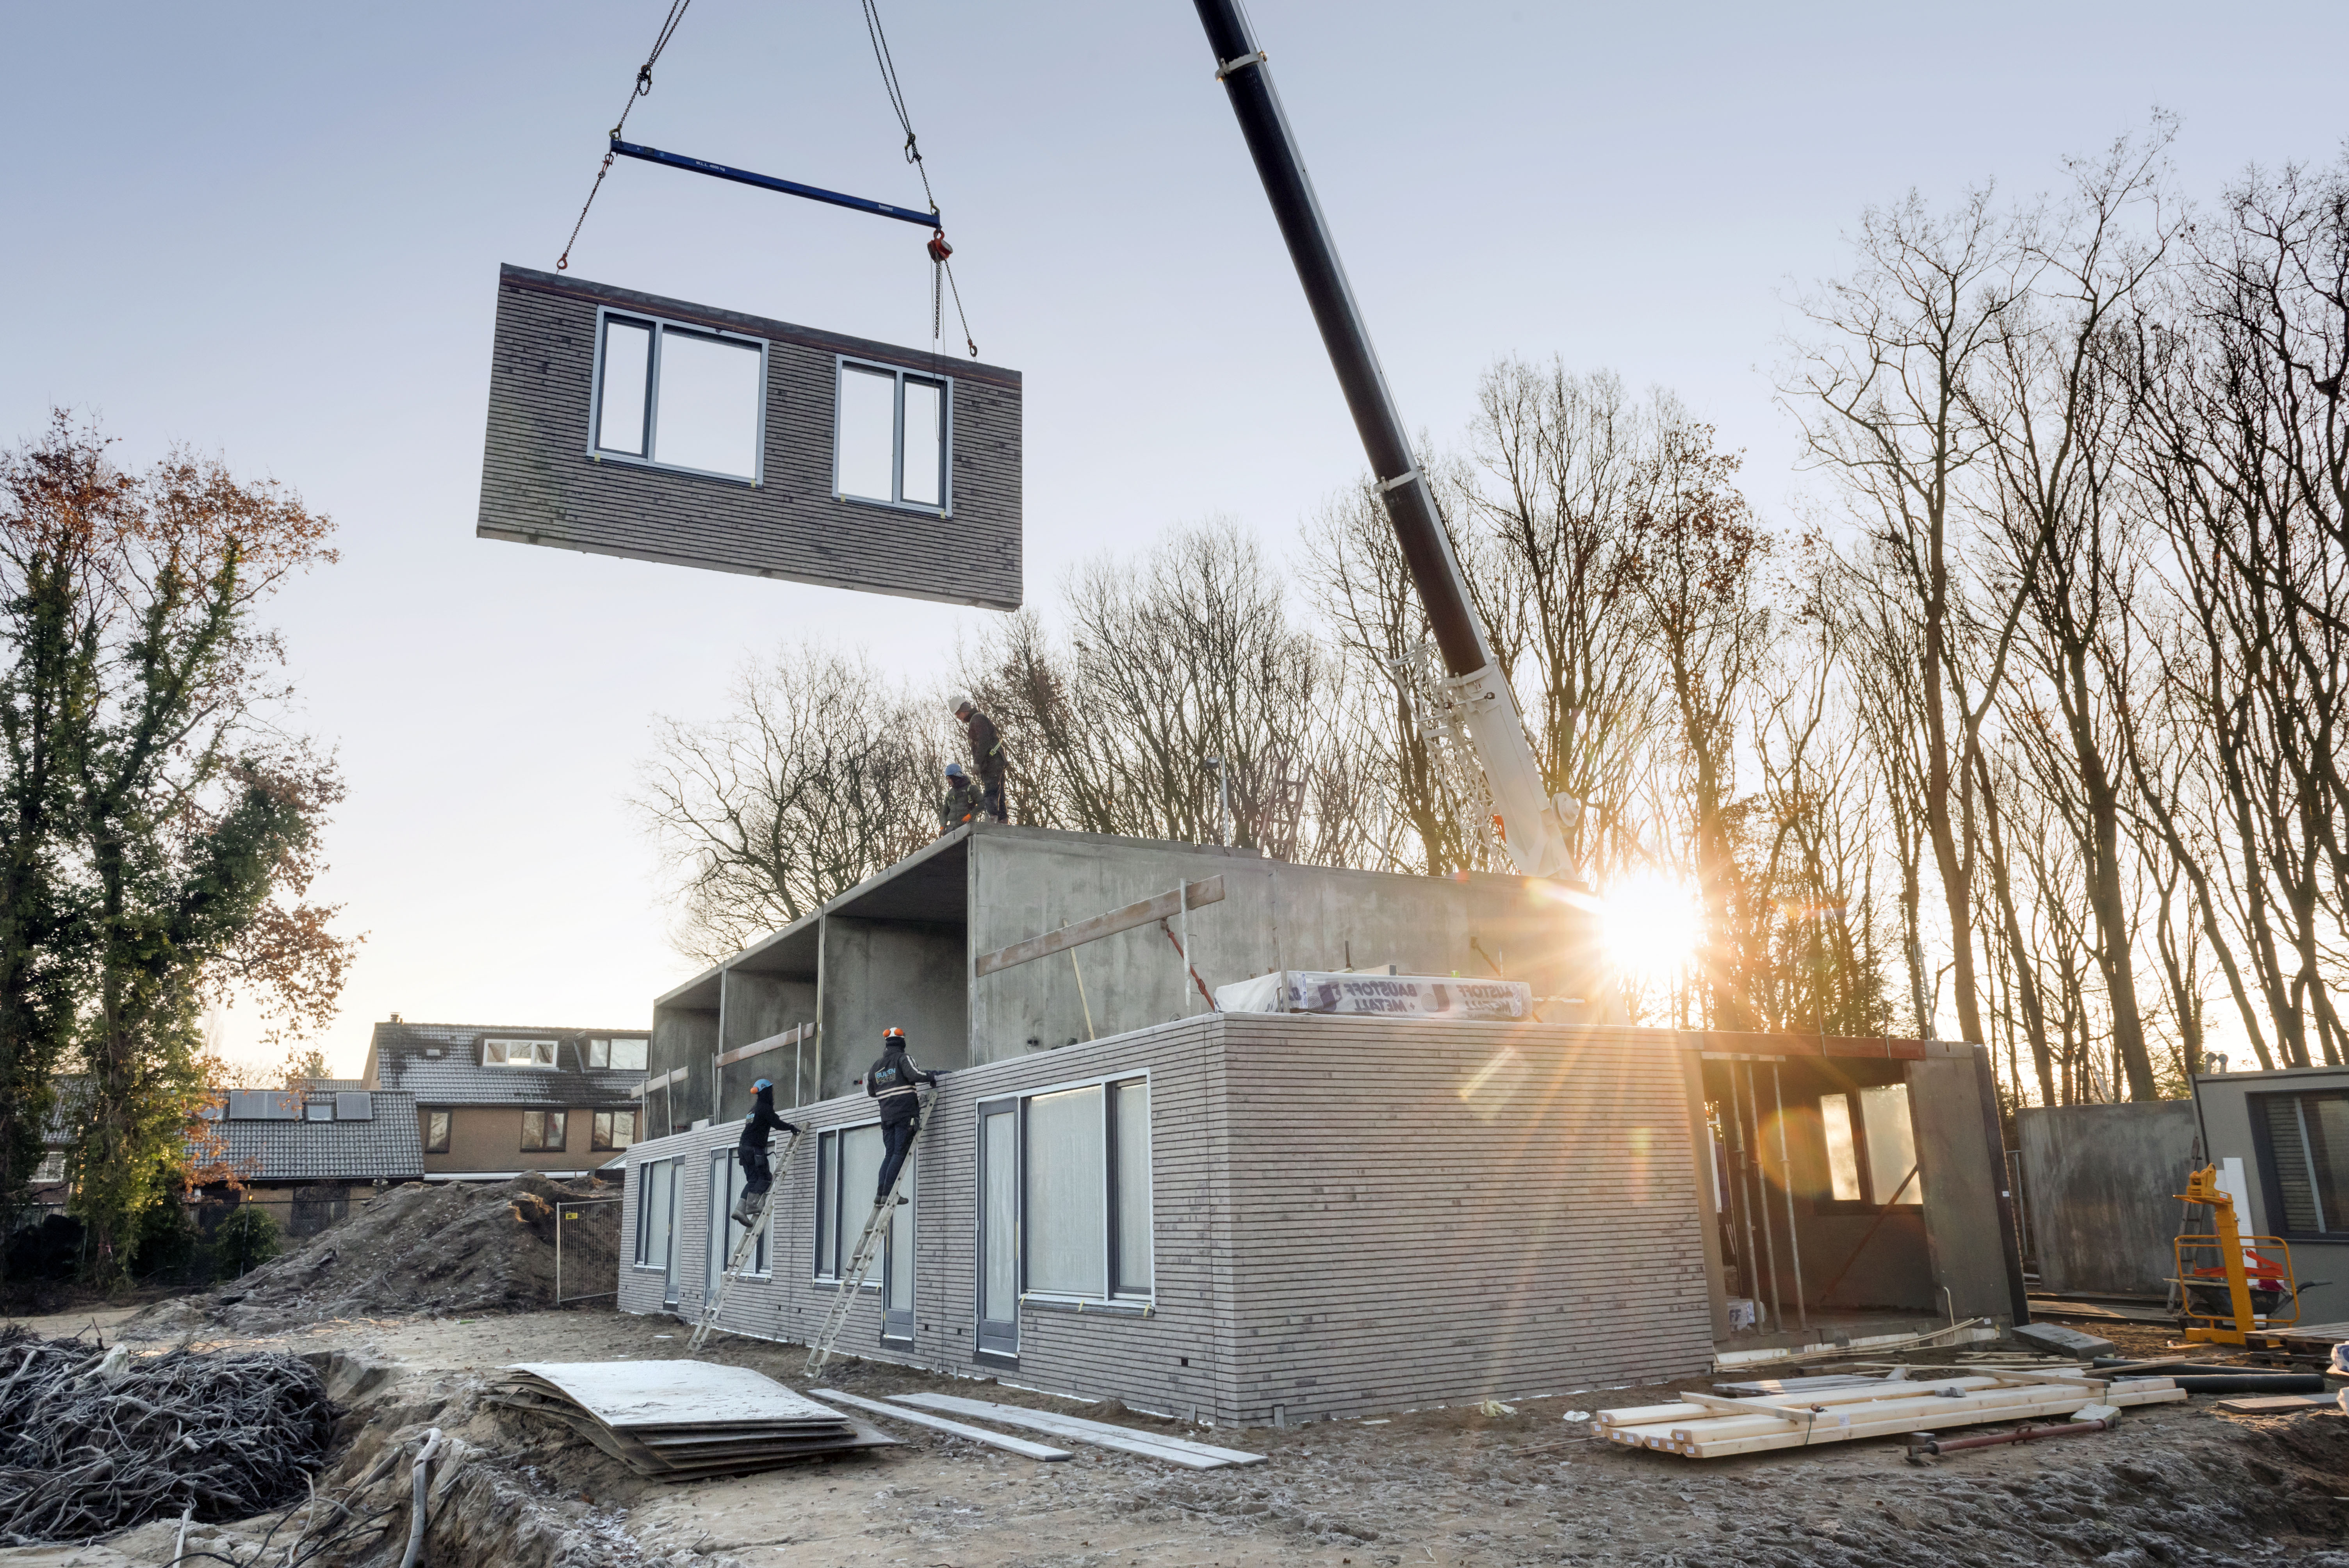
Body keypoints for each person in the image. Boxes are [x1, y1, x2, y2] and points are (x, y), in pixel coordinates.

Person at [866, 1027, 941, 1206]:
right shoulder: (903, 1058)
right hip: (905, 1115)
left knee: (890, 1154)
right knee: (900, 1153)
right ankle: (890, 1194)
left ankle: (880, 1194)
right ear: (902, 1043)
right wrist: (932, 1076)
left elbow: (871, 1092)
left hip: (886, 1118)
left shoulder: (876, 1066)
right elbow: (914, 1074)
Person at [730, 1078, 799, 1226]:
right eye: (771, 1091)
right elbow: (776, 1123)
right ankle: (753, 1205)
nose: (773, 1094)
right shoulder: (764, 1108)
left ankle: (740, 1209)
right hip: (754, 1149)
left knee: (753, 1180)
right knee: (766, 1178)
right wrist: (791, 1127)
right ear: (766, 1092)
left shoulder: (753, 1110)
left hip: (744, 1148)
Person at [952, 696, 1009, 823]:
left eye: (958, 714)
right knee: (999, 795)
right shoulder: (978, 719)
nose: (959, 717)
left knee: (991, 792)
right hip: (995, 760)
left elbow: (984, 741)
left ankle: (991, 822)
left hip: (992, 762)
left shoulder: (977, 719)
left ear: (964, 709)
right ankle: (1003, 822)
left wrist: (977, 763)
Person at [938, 761, 987, 834]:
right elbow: (945, 813)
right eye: (947, 779)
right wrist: (942, 826)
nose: (949, 781)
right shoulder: (950, 794)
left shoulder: (971, 789)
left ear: (956, 777)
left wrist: (971, 815)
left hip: (967, 828)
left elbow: (983, 803)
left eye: (950, 778)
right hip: (952, 830)